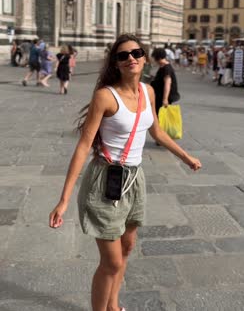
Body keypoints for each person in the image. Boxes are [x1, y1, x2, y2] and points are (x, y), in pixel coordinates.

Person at [49, 34, 202, 311]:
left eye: (136, 52)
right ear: (116, 63)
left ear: (144, 58)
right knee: (112, 261)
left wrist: (185, 156)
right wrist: (64, 199)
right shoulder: (105, 96)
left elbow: (155, 131)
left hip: (135, 179)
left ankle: (114, 306)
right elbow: (84, 146)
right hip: (105, 181)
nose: (130, 58)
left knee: (127, 249)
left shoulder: (148, 91)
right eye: (123, 55)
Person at [151, 47, 180, 116]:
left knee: (160, 115)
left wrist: (165, 99)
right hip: (159, 94)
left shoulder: (166, 68)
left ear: (157, 57)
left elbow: (168, 83)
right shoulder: (163, 66)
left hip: (162, 96)